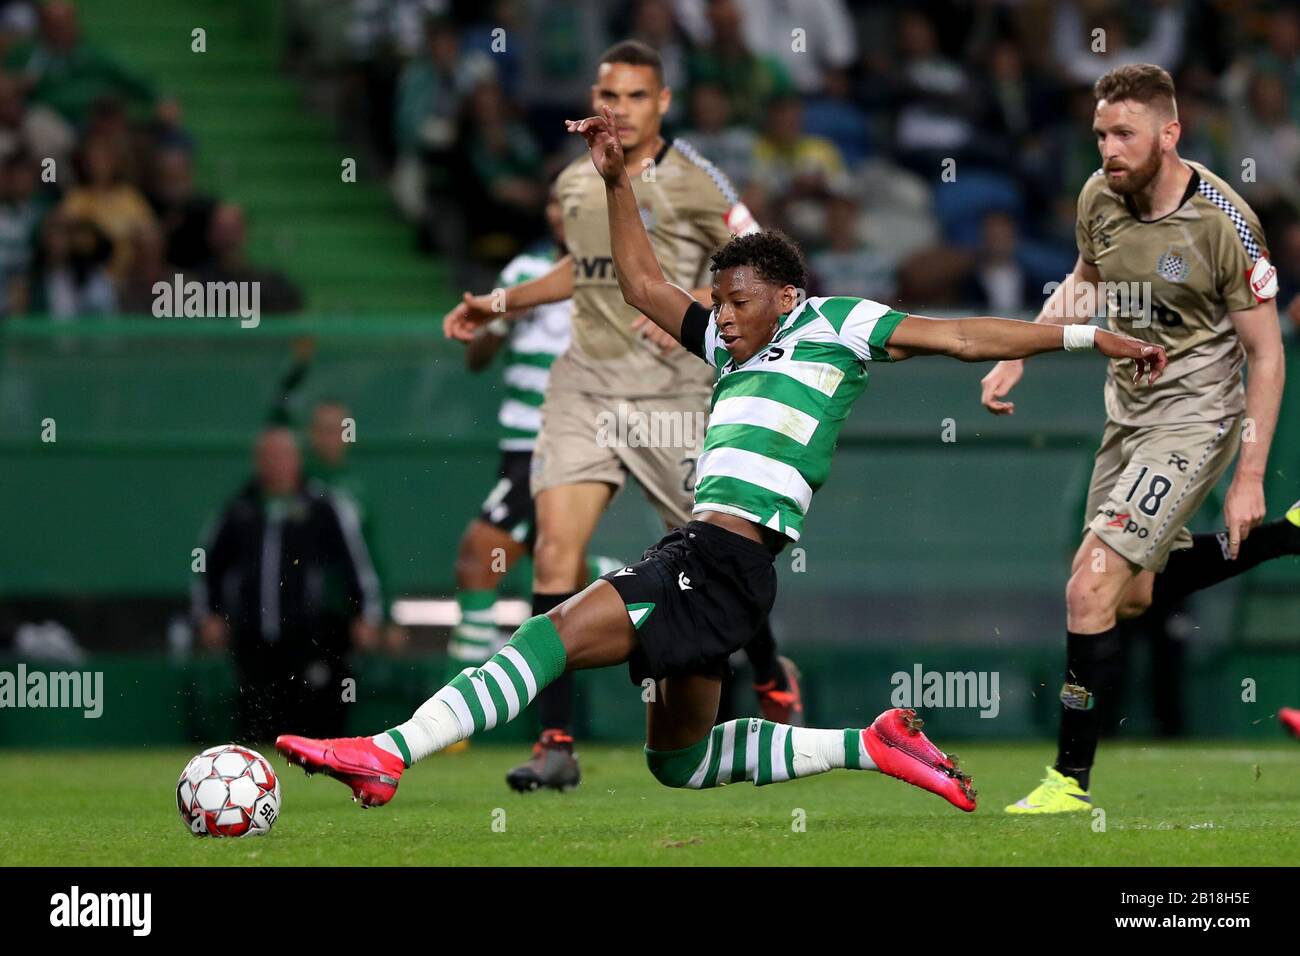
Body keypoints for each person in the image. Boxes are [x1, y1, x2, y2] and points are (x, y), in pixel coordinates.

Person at [274, 104, 1166, 813]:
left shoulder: (838, 324)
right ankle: (873, 743)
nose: (722, 316)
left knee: (546, 634)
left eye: (737, 301)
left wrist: (1089, 335)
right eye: (719, 302)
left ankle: (385, 754)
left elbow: (965, 334)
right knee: (681, 761)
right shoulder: (733, 346)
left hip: (717, 558)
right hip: (718, 562)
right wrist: (617, 180)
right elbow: (638, 285)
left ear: (785, 293)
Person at [440, 41, 800, 793]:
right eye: (609, 93)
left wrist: (699, 305)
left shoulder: (698, 183)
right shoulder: (578, 181)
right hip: (582, 390)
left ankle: (769, 674)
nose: (621, 108)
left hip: (671, 395)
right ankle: (556, 742)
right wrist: (497, 302)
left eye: (636, 96)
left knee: (720, 559)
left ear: (663, 103)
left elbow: (771, 274)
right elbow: (584, 268)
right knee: (555, 550)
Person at [978, 64, 1298, 813]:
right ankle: (1284, 539)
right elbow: (1085, 279)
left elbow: (1268, 353)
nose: (1109, 148)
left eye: (1125, 133)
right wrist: (1016, 353)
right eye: (1100, 133)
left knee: (1089, 584)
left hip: (1196, 416)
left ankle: (1067, 782)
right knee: (1130, 597)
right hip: (1126, 413)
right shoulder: (1098, 195)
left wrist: (1249, 474)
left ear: (1170, 133)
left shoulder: (1224, 219)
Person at [447, 185, 619, 779]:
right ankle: (622, 580)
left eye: (568, 203)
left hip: (565, 443)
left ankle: (458, 720)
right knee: (559, 571)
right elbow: (474, 358)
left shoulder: (613, 272)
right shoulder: (521, 271)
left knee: (481, 554)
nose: (556, 213)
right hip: (517, 443)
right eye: (551, 204)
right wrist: (497, 323)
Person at [194, 428, 383, 741]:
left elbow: (356, 564)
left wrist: (366, 614)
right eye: (268, 457)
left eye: (283, 456)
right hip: (251, 637)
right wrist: (209, 614)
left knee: (315, 716)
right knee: (255, 721)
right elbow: (209, 564)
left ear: (297, 459)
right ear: (257, 461)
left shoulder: (323, 505)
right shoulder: (239, 508)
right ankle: (253, 782)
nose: (276, 464)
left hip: (309, 636)